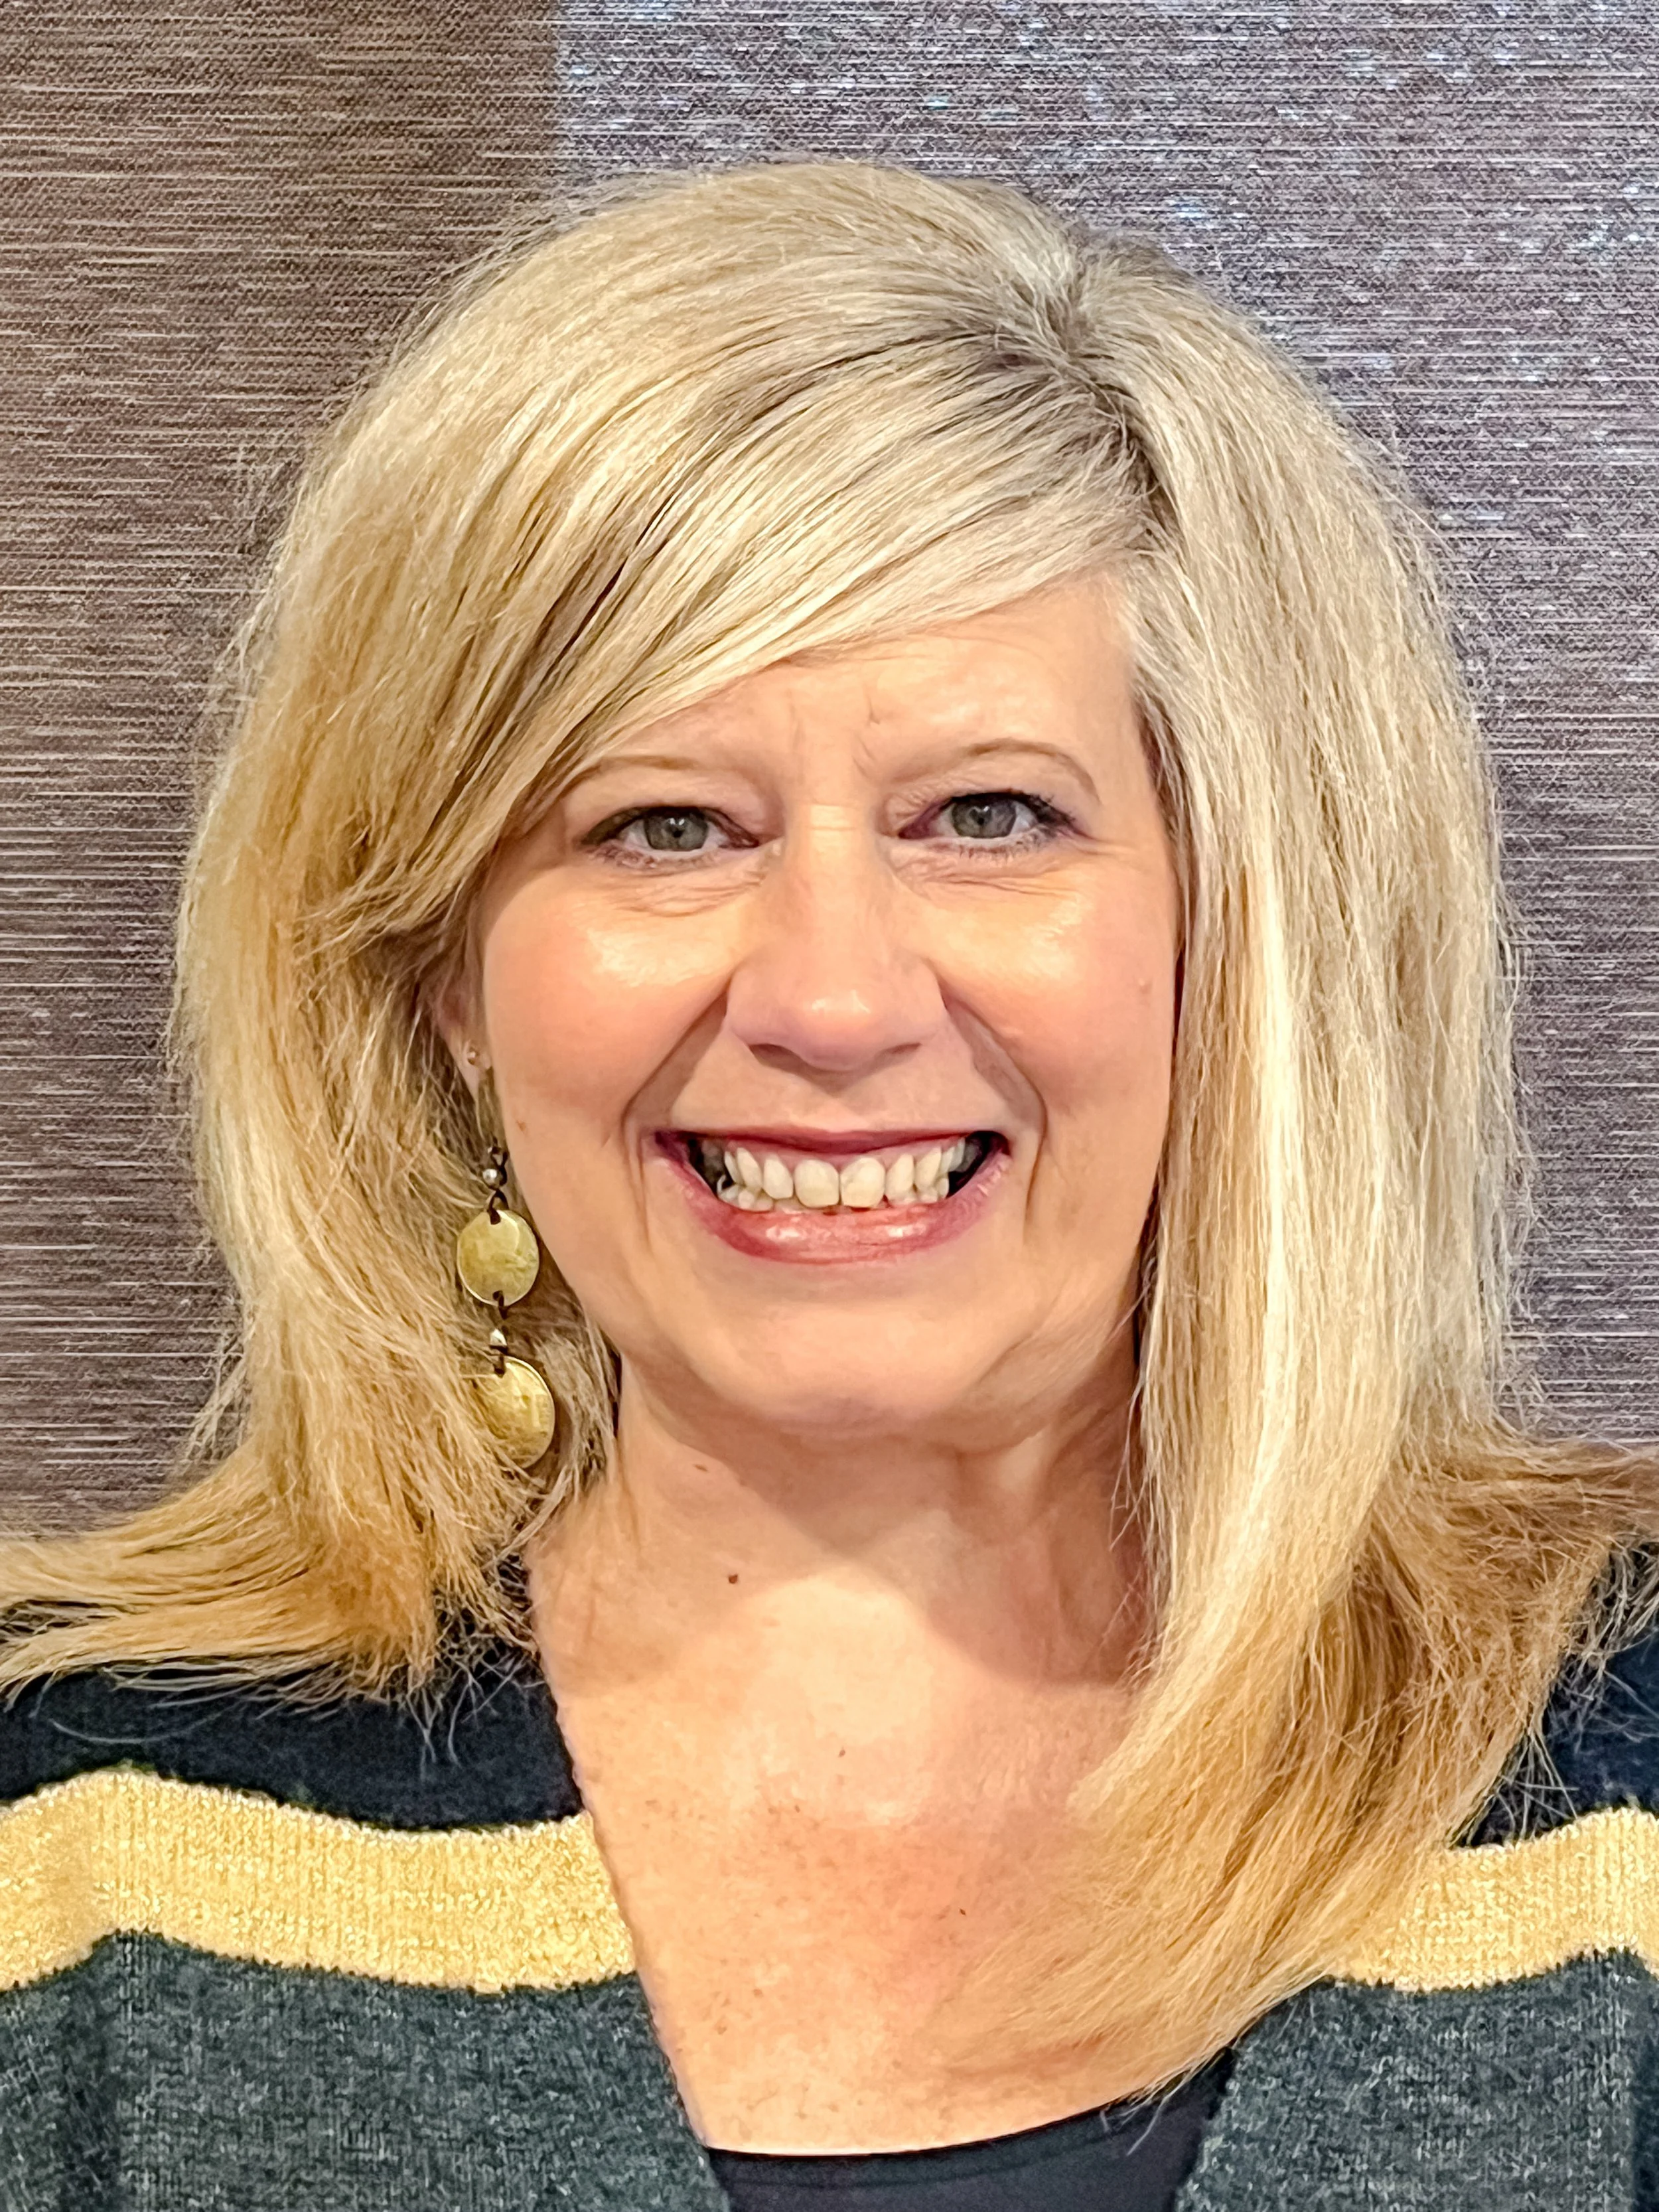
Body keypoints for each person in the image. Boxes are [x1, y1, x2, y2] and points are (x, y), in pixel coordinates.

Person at [1, 156, 1656, 2212]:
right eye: (663, 827)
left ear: (1234, 927)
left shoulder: (1618, 1791)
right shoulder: (76, 1844)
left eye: (985, 812)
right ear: (442, 970)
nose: (832, 996)